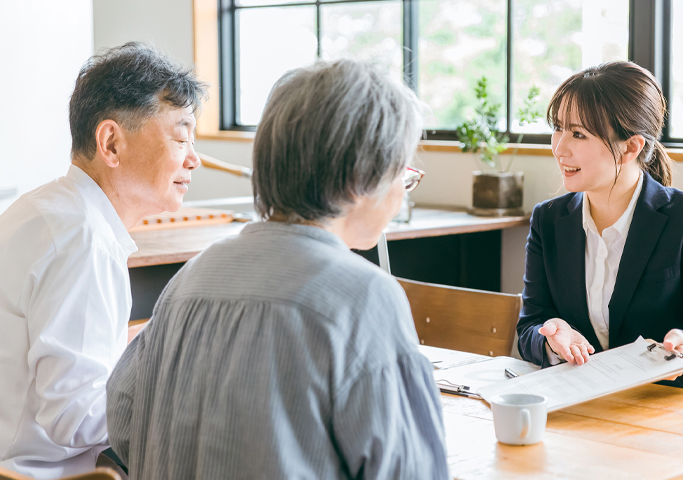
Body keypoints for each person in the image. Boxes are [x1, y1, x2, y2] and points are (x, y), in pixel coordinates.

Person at [106, 59, 449, 480]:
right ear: (363, 176)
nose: (402, 192)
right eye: (403, 173)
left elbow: (122, 422)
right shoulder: (363, 297)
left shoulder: (192, 278)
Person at [516, 61, 683, 480]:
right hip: (596, 423)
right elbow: (529, 328)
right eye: (558, 128)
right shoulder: (549, 221)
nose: (559, 147)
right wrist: (552, 337)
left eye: (578, 133)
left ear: (630, 147)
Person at [0, 42, 206, 478]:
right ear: (111, 142)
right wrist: (182, 389)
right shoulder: (83, 240)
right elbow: (75, 418)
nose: (194, 158)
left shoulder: (46, 209)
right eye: (181, 136)